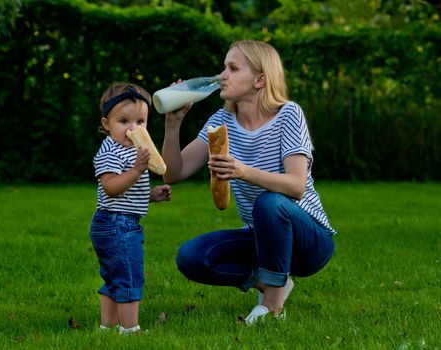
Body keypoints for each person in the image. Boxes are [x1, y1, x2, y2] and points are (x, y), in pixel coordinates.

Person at [161, 40, 336, 325]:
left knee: (269, 201)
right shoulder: (221, 120)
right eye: (224, 67)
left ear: (259, 79)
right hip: (262, 237)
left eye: (232, 68)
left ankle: (272, 307)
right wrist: (173, 124)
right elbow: (173, 174)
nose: (222, 76)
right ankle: (272, 282)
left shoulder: (288, 114)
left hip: (310, 240)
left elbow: (296, 185)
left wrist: (243, 170)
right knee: (191, 256)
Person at [90, 82, 172, 334]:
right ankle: (130, 329)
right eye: (124, 121)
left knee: (114, 276)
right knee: (129, 275)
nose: (132, 129)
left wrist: (151, 196)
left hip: (121, 220)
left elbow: (127, 193)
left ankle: (108, 325)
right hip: (115, 224)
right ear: (107, 124)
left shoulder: (134, 151)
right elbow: (112, 188)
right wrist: (137, 169)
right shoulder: (109, 151)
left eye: (140, 122)